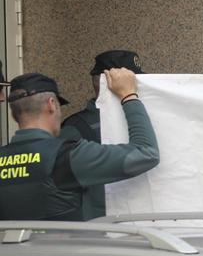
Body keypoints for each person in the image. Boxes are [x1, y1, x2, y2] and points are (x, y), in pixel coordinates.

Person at [0, 70, 159, 221]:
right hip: (64, 249)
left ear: (14, 114)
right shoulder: (67, 155)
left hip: (12, 250)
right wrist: (129, 95)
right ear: (52, 104)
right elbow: (146, 153)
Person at [60, 50, 144, 218]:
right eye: (129, 81)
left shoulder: (144, 117)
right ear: (106, 82)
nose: (136, 85)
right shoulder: (76, 127)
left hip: (148, 221)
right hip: (99, 229)